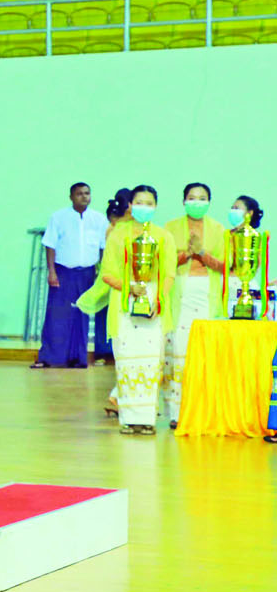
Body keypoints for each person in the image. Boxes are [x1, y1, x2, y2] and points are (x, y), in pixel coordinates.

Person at [98, 185, 176, 435]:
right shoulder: (117, 235)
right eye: (139, 202)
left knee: (151, 362)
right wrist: (129, 287)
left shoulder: (164, 236)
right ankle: (128, 419)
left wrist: (158, 300)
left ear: (156, 206)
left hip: (153, 301)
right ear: (130, 205)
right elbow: (107, 273)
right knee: (127, 362)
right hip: (124, 302)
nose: (144, 207)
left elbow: (169, 273)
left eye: (149, 203)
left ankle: (147, 420)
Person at [162, 182, 227, 426]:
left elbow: (225, 266)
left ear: (209, 202)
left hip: (207, 294)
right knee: (178, 353)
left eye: (202, 198)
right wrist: (187, 254)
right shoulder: (170, 228)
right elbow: (164, 262)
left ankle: (202, 412)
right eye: (192, 197)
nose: (196, 202)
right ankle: (176, 413)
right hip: (179, 294)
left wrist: (202, 253)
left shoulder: (219, 230)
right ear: (183, 201)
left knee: (204, 353)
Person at [31, 183, 106, 369]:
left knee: (81, 316)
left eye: (87, 193)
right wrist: (52, 272)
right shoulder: (58, 217)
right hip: (63, 272)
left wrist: (101, 273)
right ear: (71, 197)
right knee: (57, 316)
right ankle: (49, 357)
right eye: (79, 194)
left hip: (88, 273)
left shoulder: (99, 219)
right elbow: (50, 245)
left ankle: (78, 359)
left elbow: (103, 248)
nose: (84, 197)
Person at [91, 190, 132, 367]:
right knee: (104, 312)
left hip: (127, 276)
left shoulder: (135, 226)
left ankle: (120, 350)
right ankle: (102, 351)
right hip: (110, 275)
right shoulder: (113, 228)